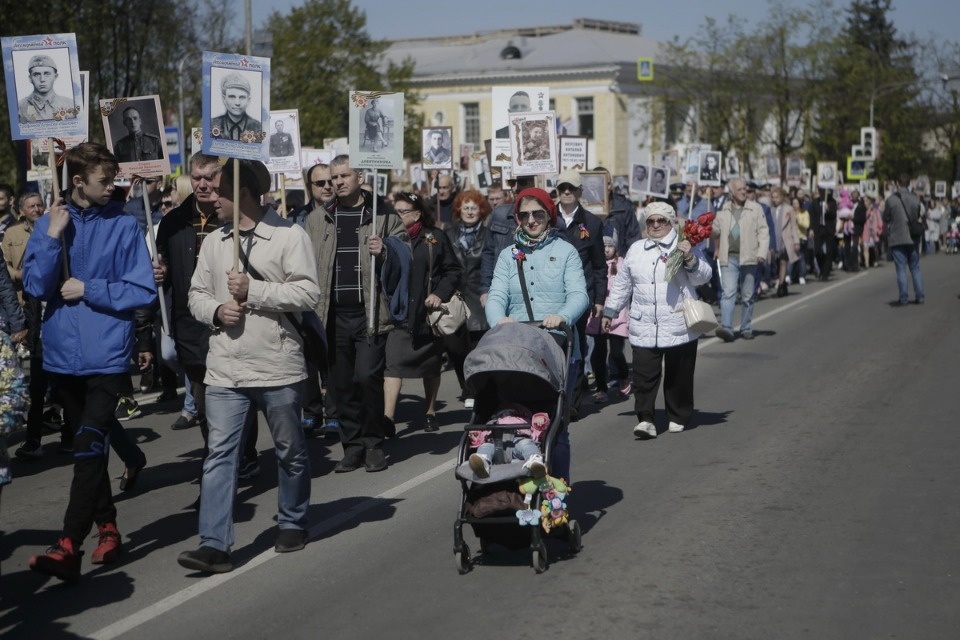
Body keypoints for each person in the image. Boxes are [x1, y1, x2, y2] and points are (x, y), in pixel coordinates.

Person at [177, 159, 320, 574]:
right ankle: (214, 544)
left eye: (217, 190)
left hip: (277, 365)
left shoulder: (289, 234)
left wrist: (253, 290)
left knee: (289, 450)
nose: (208, 197)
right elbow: (196, 295)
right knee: (220, 455)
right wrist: (217, 309)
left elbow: (308, 294)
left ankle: (293, 520)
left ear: (240, 193)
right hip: (225, 366)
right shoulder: (214, 241)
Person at [24, 142, 157, 581]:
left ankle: (67, 544)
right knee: (91, 448)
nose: (112, 187)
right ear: (78, 181)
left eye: (115, 179)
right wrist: (49, 237)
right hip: (62, 356)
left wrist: (90, 289)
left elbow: (141, 289)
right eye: (105, 181)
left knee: (88, 446)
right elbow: (38, 288)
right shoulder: (49, 223)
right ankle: (109, 529)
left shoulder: (123, 225)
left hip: (107, 356)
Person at [304, 154, 404, 473]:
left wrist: (386, 249)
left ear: (360, 177)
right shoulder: (318, 219)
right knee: (341, 384)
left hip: (370, 312)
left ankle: (374, 442)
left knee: (367, 377)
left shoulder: (381, 213)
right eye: (333, 177)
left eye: (344, 176)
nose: (337, 182)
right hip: (331, 314)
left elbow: (405, 251)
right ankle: (353, 445)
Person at [485, 187, 589, 480]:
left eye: (538, 214)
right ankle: (515, 484)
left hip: (556, 345)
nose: (531, 220)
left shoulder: (565, 250)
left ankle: (558, 490)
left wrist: (563, 316)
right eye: (524, 215)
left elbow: (579, 294)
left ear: (549, 215)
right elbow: (496, 295)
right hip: (517, 348)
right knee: (512, 420)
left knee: (554, 425)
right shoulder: (508, 254)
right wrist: (499, 320)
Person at [601, 201, 713, 438]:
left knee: (679, 375)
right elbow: (623, 284)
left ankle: (678, 414)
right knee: (644, 376)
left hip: (678, 322)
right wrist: (610, 311)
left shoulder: (684, 244)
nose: (655, 225)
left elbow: (704, 277)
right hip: (644, 323)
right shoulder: (637, 249)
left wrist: (690, 258)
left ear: (671, 222)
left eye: (661, 220)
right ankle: (646, 419)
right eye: (651, 221)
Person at [382, 192, 462, 434]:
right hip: (398, 314)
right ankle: (388, 418)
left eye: (402, 211)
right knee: (393, 365)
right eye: (395, 211)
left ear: (417, 214)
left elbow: (453, 271)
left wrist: (439, 293)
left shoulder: (434, 238)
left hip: (426, 313)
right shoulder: (388, 238)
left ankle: (430, 411)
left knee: (430, 366)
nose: (397, 216)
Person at [553, 169, 606, 419]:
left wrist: (599, 299)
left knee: (576, 346)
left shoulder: (592, 223)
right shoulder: (546, 218)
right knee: (553, 346)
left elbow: (598, 265)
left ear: (579, 192)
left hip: (580, 295)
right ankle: (553, 396)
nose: (566, 192)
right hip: (551, 294)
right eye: (562, 188)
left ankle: (572, 402)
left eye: (571, 188)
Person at [290, 162, 337, 433]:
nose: (327, 186)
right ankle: (311, 411)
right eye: (320, 183)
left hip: (335, 295)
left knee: (333, 356)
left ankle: (334, 410)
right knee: (307, 356)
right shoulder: (297, 218)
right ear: (310, 187)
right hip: (307, 296)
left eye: (330, 181)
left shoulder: (343, 213)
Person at [443, 190, 491, 407]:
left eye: (474, 208)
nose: (470, 212)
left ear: (481, 210)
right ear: (459, 210)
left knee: (478, 348)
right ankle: (466, 385)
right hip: (454, 298)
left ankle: (474, 390)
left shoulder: (489, 234)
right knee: (455, 348)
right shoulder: (448, 233)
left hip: (479, 298)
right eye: (466, 208)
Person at [711, 178, 769, 342]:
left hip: (749, 257)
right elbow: (715, 231)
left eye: (745, 189)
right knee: (728, 294)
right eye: (740, 189)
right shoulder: (723, 210)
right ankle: (727, 328)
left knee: (748, 295)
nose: (744, 191)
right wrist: (708, 228)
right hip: (729, 258)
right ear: (731, 193)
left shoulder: (755, 209)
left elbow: (764, 232)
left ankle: (746, 328)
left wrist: (762, 253)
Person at [585, 234, 630, 402]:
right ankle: (601, 387)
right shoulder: (595, 264)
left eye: (610, 246)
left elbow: (625, 286)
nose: (606, 249)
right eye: (603, 246)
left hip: (617, 315)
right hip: (598, 314)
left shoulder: (621, 264)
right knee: (598, 352)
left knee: (617, 352)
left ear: (615, 248)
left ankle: (624, 376)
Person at [467, 403, 548, 479]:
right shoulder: (493, 423)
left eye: (512, 413)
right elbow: (483, 437)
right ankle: (483, 462)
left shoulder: (527, 421)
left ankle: (535, 462)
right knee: (485, 446)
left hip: (518, 440)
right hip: (496, 442)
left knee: (526, 444)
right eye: (504, 414)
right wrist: (476, 436)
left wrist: (540, 419)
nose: (508, 415)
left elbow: (540, 430)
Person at [882, 173, 925, 306]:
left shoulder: (891, 200)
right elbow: (917, 214)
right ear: (909, 184)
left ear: (897, 183)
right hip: (912, 237)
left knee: (901, 269)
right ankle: (920, 296)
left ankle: (904, 298)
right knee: (915, 268)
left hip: (897, 237)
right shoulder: (915, 198)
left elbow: (885, 218)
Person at [18, 54, 77, 123]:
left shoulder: (70, 105)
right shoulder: (20, 107)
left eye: (47, 74)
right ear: (30, 78)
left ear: (55, 76)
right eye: (36, 74)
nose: (42, 79)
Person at [210, 72, 262, 142]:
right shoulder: (211, 125)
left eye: (242, 97)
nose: (237, 103)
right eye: (232, 97)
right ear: (224, 99)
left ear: (248, 100)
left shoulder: (258, 128)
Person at [770, 187, 801, 297]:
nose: (775, 200)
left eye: (777, 197)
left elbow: (793, 226)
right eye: (773, 198)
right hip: (774, 241)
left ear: (782, 197)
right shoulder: (771, 210)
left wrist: (796, 241)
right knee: (777, 264)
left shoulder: (789, 209)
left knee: (783, 262)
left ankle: (781, 285)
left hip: (785, 241)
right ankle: (782, 283)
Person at [809, 188, 838, 281]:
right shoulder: (815, 202)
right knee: (817, 251)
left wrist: (828, 209)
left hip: (828, 229)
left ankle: (825, 273)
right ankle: (822, 268)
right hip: (818, 229)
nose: (821, 193)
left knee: (829, 252)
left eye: (823, 191)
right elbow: (812, 216)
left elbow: (833, 215)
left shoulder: (832, 202)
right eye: (820, 191)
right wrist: (811, 229)